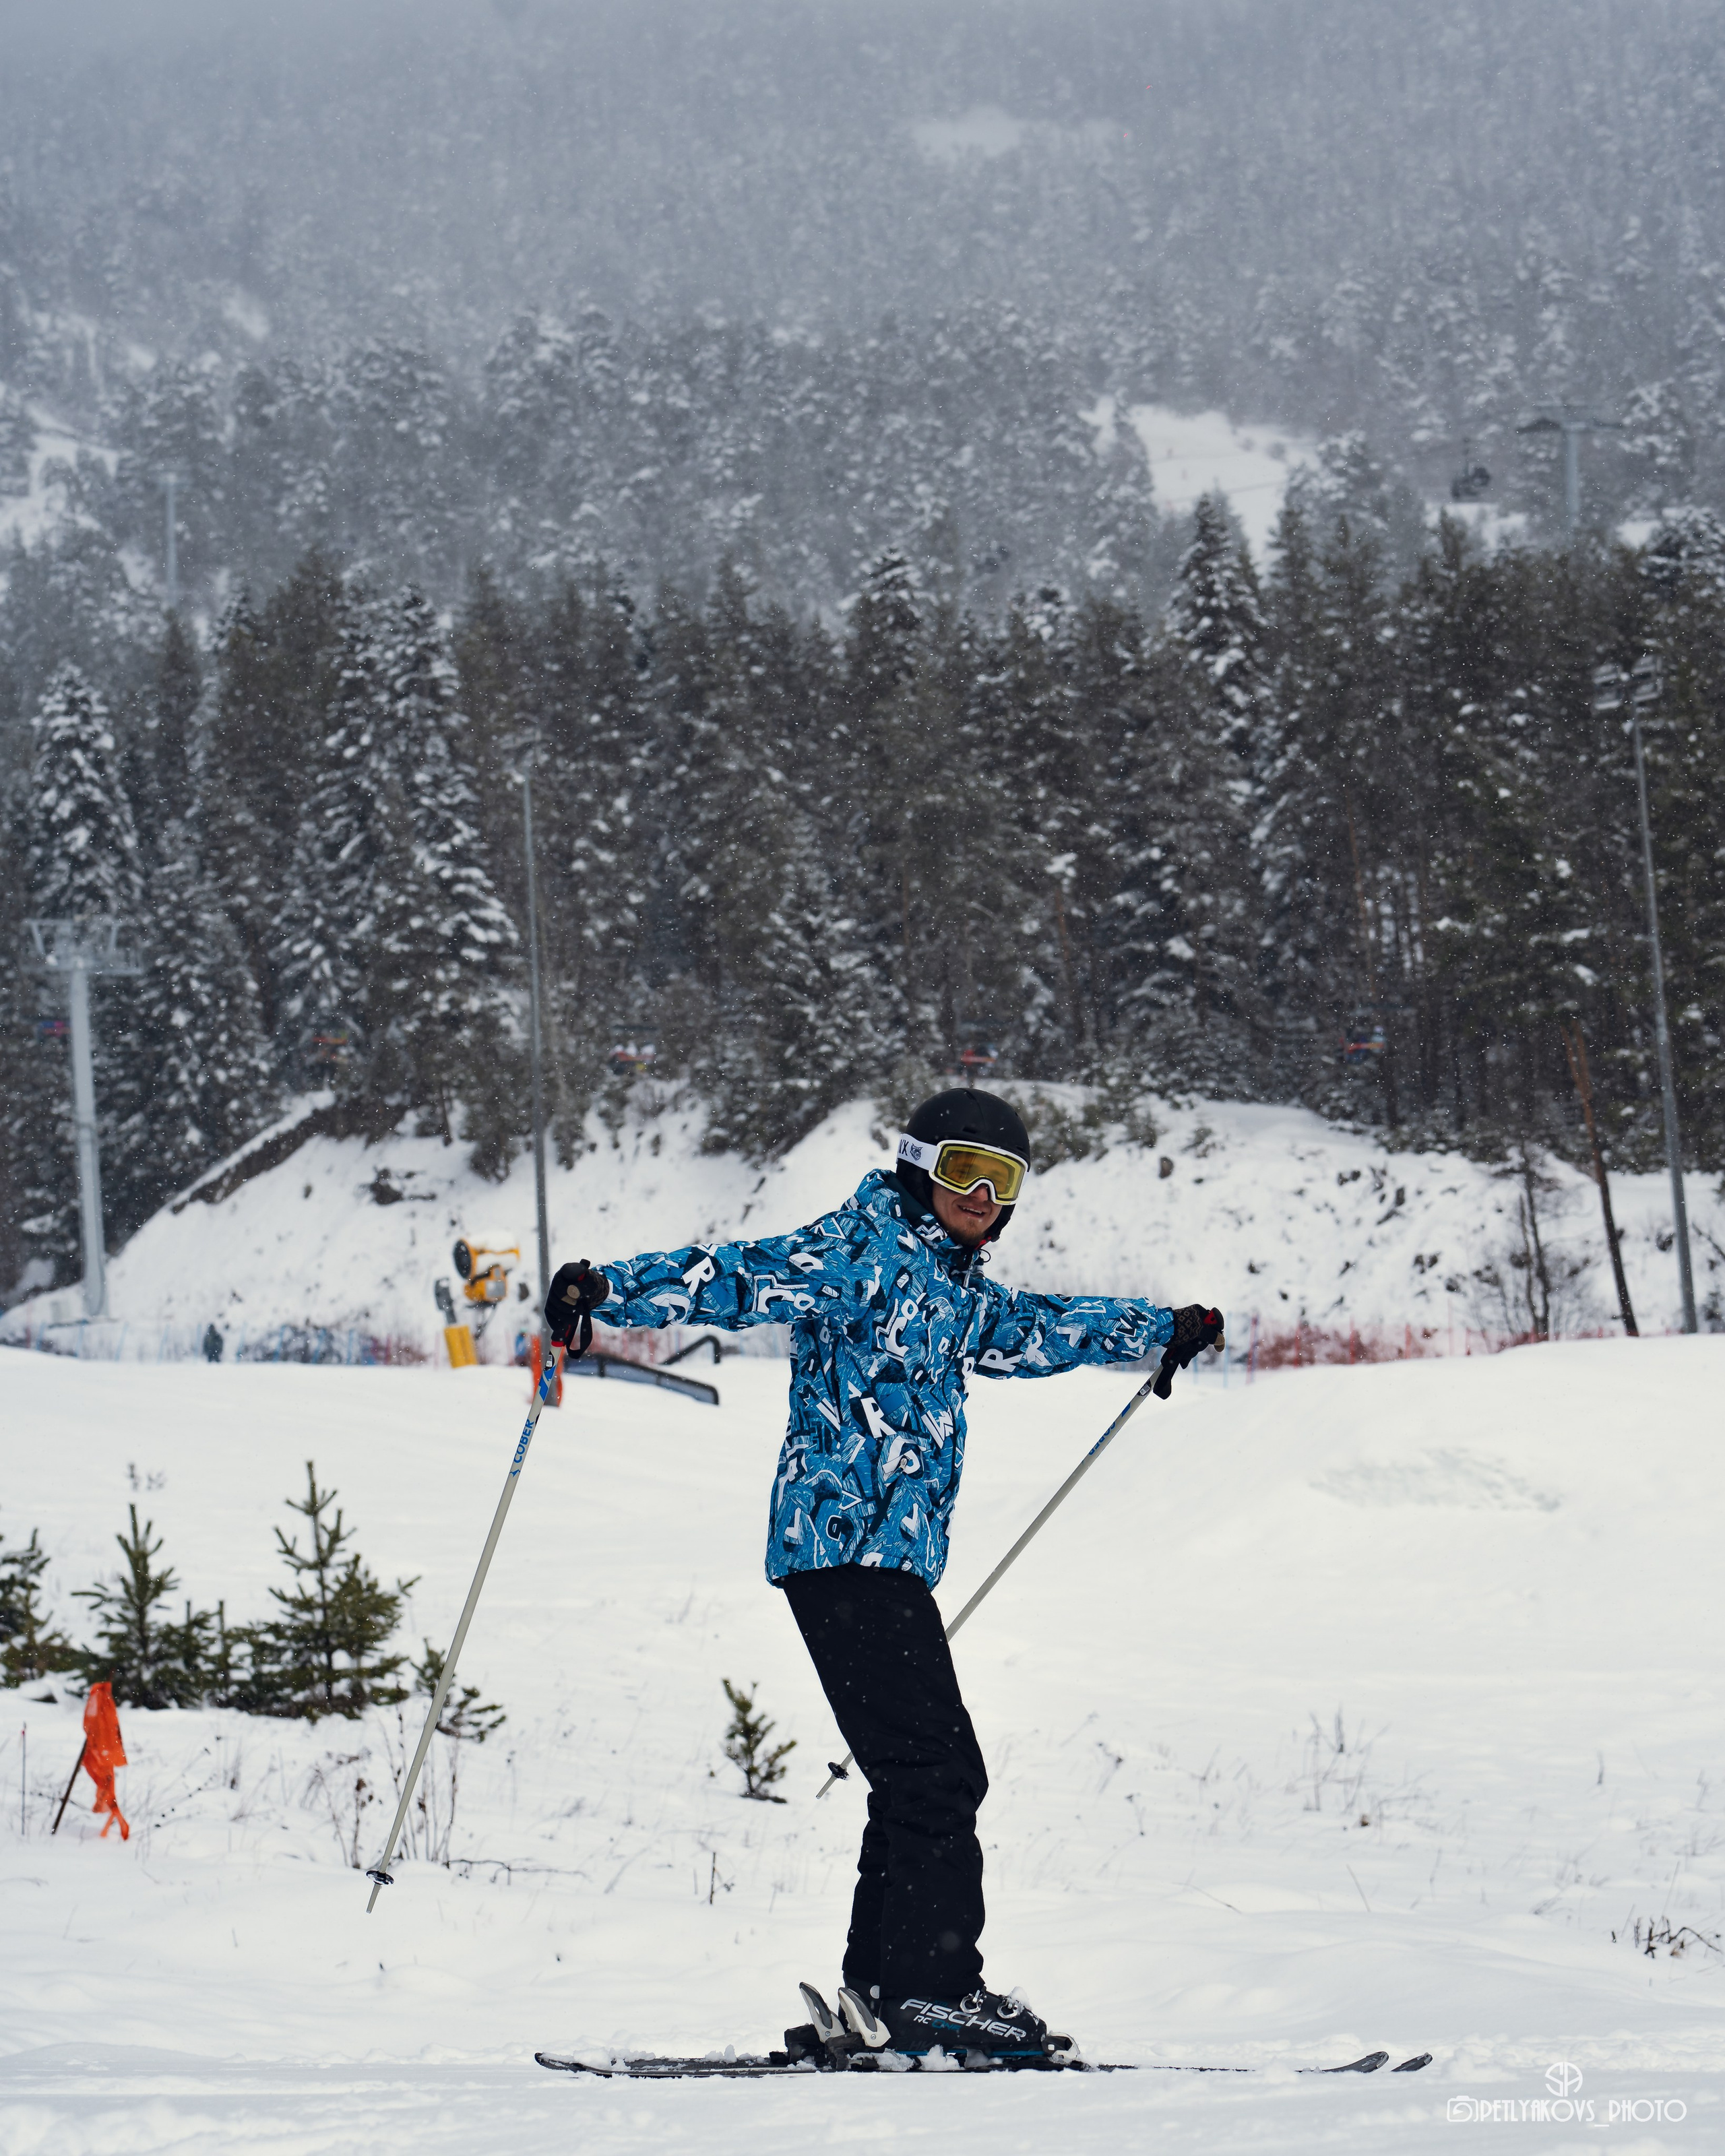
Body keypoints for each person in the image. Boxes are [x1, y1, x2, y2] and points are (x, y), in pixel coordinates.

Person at [545, 1087, 1222, 2063]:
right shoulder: (857, 1251)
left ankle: (878, 1994)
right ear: (917, 1167)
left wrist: (1159, 1330)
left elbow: (1038, 1327)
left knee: (914, 1778)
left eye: (1003, 1181)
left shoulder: (956, 1288)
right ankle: (934, 1993)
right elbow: (734, 1279)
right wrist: (605, 1292)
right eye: (962, 1171)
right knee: (942, 1776)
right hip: (843, 1548)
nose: (982, 1196)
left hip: (883, 1561)